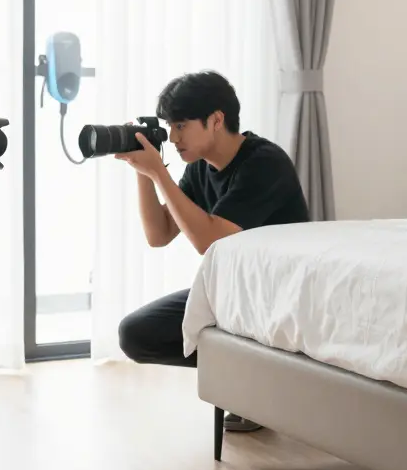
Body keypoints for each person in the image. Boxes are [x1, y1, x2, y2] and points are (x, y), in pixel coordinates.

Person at [113, 71, 310, 432]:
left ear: (216, 120)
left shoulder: (265, 163)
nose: (173, 138)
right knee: (136, 334)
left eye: (182, 126)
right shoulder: (201, 168)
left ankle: (257, 387)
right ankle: (250, 381)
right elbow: (158, 234)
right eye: (170, 127)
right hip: (233, 292)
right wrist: (142, 170)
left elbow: (210, 240)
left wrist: (160, 174)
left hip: (278, 296)